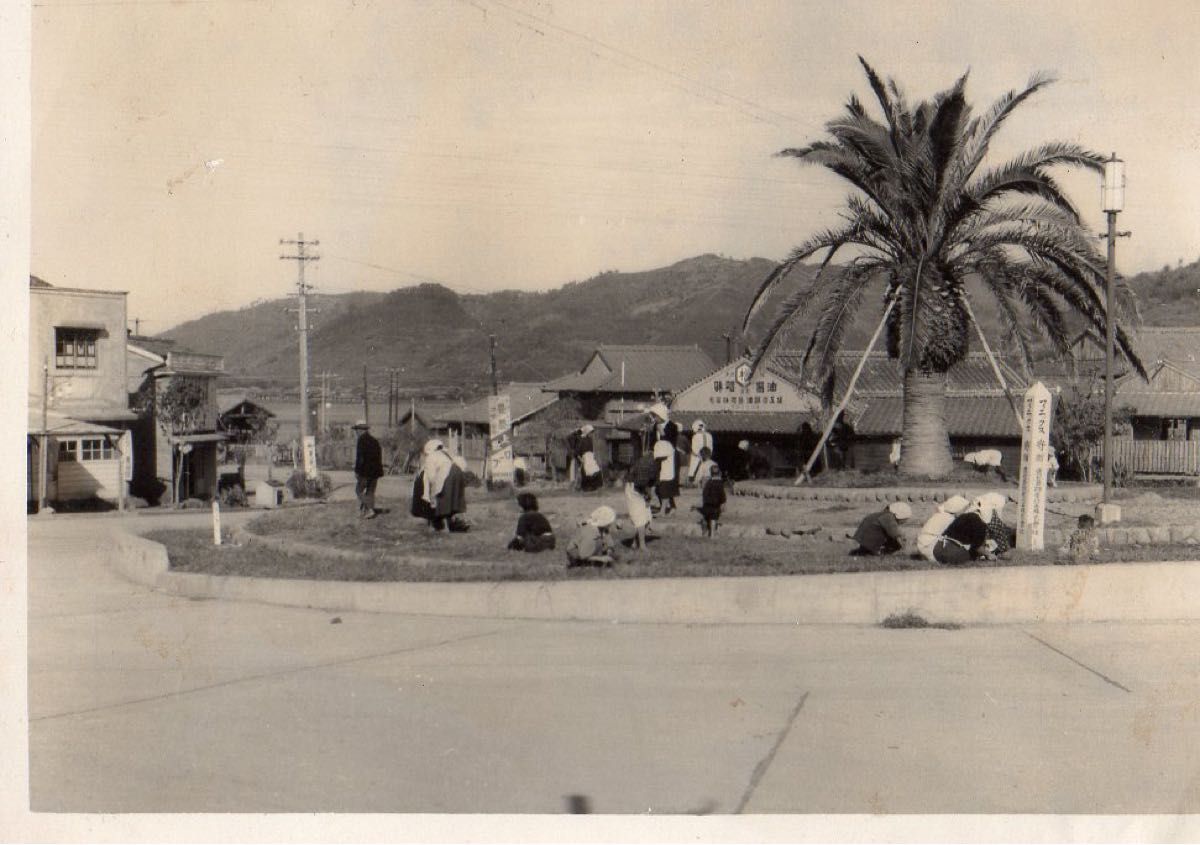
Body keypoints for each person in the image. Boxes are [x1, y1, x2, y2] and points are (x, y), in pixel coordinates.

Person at [916, 495, 970, 561]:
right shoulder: (949, 518)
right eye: (964, 509)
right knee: (963, 554)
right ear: (957, 508)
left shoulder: (941, 515)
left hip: (924, 544)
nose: (965, 512)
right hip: (931, 545)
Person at [352, 420, 383, 519]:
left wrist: (357, 471)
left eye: (357, 429)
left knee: (358, 490)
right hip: (376, 471)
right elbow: (379, 456)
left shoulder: (361, 440)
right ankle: (366, 511)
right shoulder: (375, 440)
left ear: (361, 430)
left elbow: (360, 457)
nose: (356, 432)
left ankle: (370, 510)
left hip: (365, 472)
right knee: (370, 492)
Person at [973, 491, 1015, 557]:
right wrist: (1001, 523)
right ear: (1008, 499)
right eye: (1011, 501)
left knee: (985, 530)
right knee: (996, 528)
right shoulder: (1002, 501)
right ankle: (1000, 550)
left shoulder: (997, 495)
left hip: (977, 506)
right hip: (984, 510)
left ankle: (985, 550)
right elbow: (998, 513)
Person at [652, 436, 679, 514]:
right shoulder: (662, 445)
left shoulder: (666, 446)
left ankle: (663, 511)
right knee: (662, 491)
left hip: (667, 472)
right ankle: (672, 507)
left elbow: (660, 456)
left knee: (664, 492)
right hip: (664, 472)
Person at [698, 464, 727, 538]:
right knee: (713, 519)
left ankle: (704, 532)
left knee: (706, 518)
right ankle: (712, 534)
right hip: (715, 506)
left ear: (711, 474)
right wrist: (723, 503)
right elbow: (722, 495)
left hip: (707, 504)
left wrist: (705, 501)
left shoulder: (708, 482)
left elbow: (704, 493)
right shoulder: (720, 484)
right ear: (719, 473)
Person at [576, 424, 604, 492]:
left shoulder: (590, 440)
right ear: (587, 432)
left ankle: (595, 487)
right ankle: (585, 488)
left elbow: (591, 450)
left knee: (596, 471)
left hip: (591, 457)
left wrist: (593, 457)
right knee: (586, 472)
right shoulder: (581, 440)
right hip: (585, 458)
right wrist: (580, 459)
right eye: (591, 432)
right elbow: (577, 452)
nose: (591, 434)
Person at [688, 420, 714, 484]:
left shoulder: (695, 436)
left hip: (697, 457)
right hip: (708, 456)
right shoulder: (709, 435)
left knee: (693, 469)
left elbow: (694, 450)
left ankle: (693, 482)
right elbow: (711, 447)